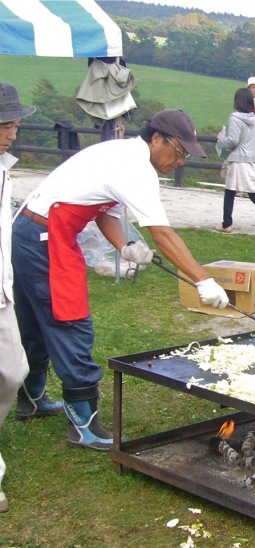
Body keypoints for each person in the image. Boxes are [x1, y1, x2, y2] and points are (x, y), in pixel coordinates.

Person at [11, 109, 230, 452]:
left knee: (36, 321)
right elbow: (163, 234)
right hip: (47, 237)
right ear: (157, 138)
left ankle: (32, 400)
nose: (181, 161)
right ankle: (84, 427)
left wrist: (124, 246)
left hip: (32, 231)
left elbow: (103, 211)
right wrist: (203, 281)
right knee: (70, 322)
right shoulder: (135, 167)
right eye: (179, 151)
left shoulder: (122, 152)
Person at [0, 83, 33, 513]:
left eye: (14, 125)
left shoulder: (4, 166)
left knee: (13, 370)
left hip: (1, 287)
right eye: (5, 126)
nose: (12, 134)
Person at [216, 87, 255, 236]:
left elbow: (233, 140)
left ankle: (227, 224)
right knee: (252, 193)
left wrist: (221, 140)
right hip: (254, 160)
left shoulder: (235, 117)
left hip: (238, 160)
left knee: (231, 192)